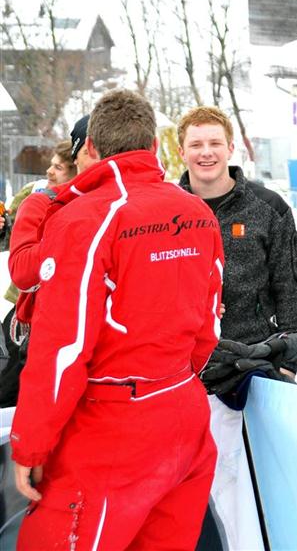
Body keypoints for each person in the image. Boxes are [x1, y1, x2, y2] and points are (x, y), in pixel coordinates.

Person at [10, 89, 222, 550]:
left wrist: (31, 443)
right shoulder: (196, 210)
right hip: (183, 414)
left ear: (90, 147)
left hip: (113, 427)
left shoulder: (85, 218)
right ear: (153, 144)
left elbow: (62, 348)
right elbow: (208, 325)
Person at [177, 105, 297, 550]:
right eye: (196, 144)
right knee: (191, 490)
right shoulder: (167, 210)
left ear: (231, 148)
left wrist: (288, 352)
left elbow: (289, 283)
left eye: (215, 143)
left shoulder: (266, 206)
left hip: (251, 368)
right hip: (183, 373)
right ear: (182, 151)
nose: (206, 153)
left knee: (248, 489)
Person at [2, 117, 95, 407]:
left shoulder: (102, 205)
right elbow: (20, 261)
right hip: (24, 312)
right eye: (51, 165)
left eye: (58, 167)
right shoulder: (36, 196)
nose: (50, 171)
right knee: (11, 379)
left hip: (68, 323)